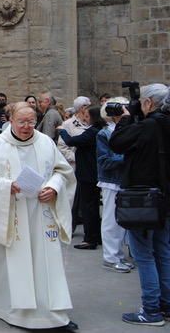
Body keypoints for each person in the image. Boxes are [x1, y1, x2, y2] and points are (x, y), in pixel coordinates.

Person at [0, 102, 77, 331]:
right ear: (11, 121)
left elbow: (63, 172)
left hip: (42, 212)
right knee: (15, 263)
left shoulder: (45, 142)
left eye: (31, 121)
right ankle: (10, 309)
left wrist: (55, 188)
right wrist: (7, 186)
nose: (27, 126)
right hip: (12, 213)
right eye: (22, 122)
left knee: (45, 262)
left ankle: (52, 311)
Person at [110, 83, 170, 326]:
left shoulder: (147, 126)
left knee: (143, 255)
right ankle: (166, 304)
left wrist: (125, 120)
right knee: (163, 252)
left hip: (143, 200)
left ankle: (152, 310)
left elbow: (117, 142)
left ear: (148, 103)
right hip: (165, 198)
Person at [58, 106, 105, 250]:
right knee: (92, 206)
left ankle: (90, 238)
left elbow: (72, 141)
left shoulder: (93, 132)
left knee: (88, 207)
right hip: (91, 173)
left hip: (88, 174)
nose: (85, 118)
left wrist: (62, 131)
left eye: (87, 115)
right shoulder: (98, 130)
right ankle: (95, 236)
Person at [96, 97, 132, 273]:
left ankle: (118, 255)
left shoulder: (127, 130)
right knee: (111, 220)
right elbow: (104, 161)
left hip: (125, 180)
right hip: (111, 181)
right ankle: (110, 257)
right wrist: (128, 158)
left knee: (122, 221)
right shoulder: (104, 133)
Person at [57, 96, 90, 232]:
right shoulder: (68, 124)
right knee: (72, 197)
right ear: (81, 108)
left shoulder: (91, 123)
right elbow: (62, 146)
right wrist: (75, 157)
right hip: (74, 165)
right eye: (87, 105)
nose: (88, 107)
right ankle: (68, 225)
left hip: (88, 165)